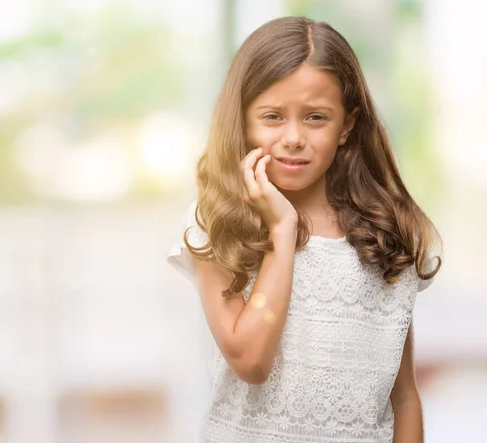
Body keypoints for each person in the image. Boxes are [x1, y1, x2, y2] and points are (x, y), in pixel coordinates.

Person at [167, 16, 441, 443]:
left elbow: (403, 396)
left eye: (316, 117)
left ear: (346, 125)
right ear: (241, 121)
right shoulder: (217, 225)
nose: (293, 138)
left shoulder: (388, 234)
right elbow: (251, 362)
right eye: (272, 116)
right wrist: (282, 231)